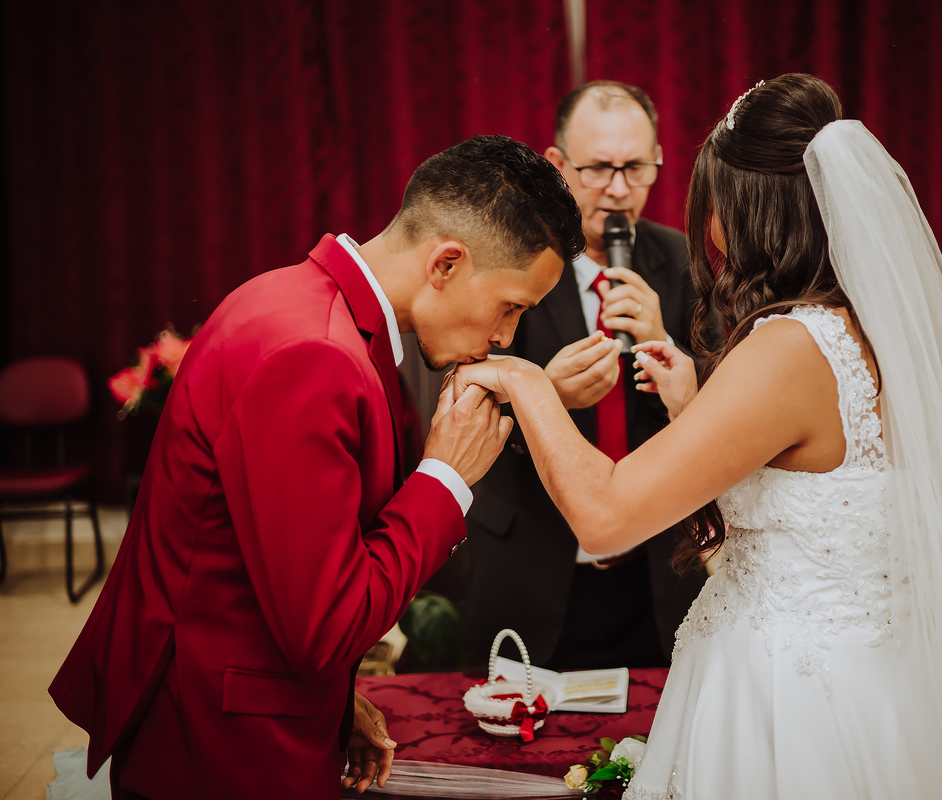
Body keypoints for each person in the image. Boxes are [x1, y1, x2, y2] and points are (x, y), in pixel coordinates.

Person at [455, 76, 942, 799]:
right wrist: (694, 403)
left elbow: (607, 515)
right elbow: (808, 469)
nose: (709, 229)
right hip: (877, 668)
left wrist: (523, 380)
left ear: (748, 210)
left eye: (715, 204)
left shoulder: (787, 347)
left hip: (795, 693)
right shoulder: (868, 325)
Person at [48, 135, 584, 800]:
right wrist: (445, 480)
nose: (505, 337)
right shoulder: (315, 354)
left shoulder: (297, 298)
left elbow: (284, 569)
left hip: (229, 697)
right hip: (222, 743)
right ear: (446, 264)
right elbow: (324, 628)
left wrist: (334, 699)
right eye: (512, 306)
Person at [460, 81, 706, 670]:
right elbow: (457, 400)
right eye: (598, 169)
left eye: (635, 168)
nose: (618, 189)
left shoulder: (683, 261)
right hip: (532, 566)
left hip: (656, 575)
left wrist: (666, 346)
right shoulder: (505, 261)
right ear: (558, 166)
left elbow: (731, 399)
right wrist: (545, 396)